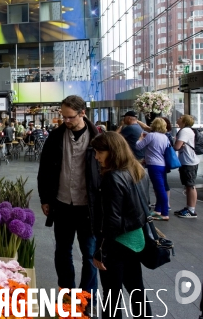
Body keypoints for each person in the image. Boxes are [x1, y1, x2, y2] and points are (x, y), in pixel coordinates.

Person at [38, 95, 99, 303]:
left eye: (70, 117)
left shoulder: (97, 138)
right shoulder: (55, 137)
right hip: (62, 204)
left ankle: (86, 297)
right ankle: (67, 294)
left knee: (90, 254)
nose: (65, 121)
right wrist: (45, 198)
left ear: (82, 113)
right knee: (62, 252)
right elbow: (44, 169)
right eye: (63, 117)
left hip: (88, 207)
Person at [90, 132, 151, 319]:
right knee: (136, 288)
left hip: (116, 243)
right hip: (136, 238)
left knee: (111, 295)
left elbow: (112, 220)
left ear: (113, 151)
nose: (96, 157)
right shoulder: (137, 170)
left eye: (100, 152)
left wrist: (101, 250)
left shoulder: (112, 178)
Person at [135, 117, 170, 220]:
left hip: (153, 165)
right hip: (162, 164)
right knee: (159, 187)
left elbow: (138, 146)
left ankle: (165, 213)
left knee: (159, 189)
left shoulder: (151, 135)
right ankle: (158, 210)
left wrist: (140, 138)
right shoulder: (165, 137)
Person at [174, 114, 199, 218]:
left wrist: (175, 143)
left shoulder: (185, 131)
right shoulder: (186, 130)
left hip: (188, 162)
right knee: (188, 186)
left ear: (184, 121)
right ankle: (189, 208)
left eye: (180, 117)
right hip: (188, 161)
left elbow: (176, 147)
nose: (178, 118)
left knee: (190, 185)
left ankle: (191, 210)